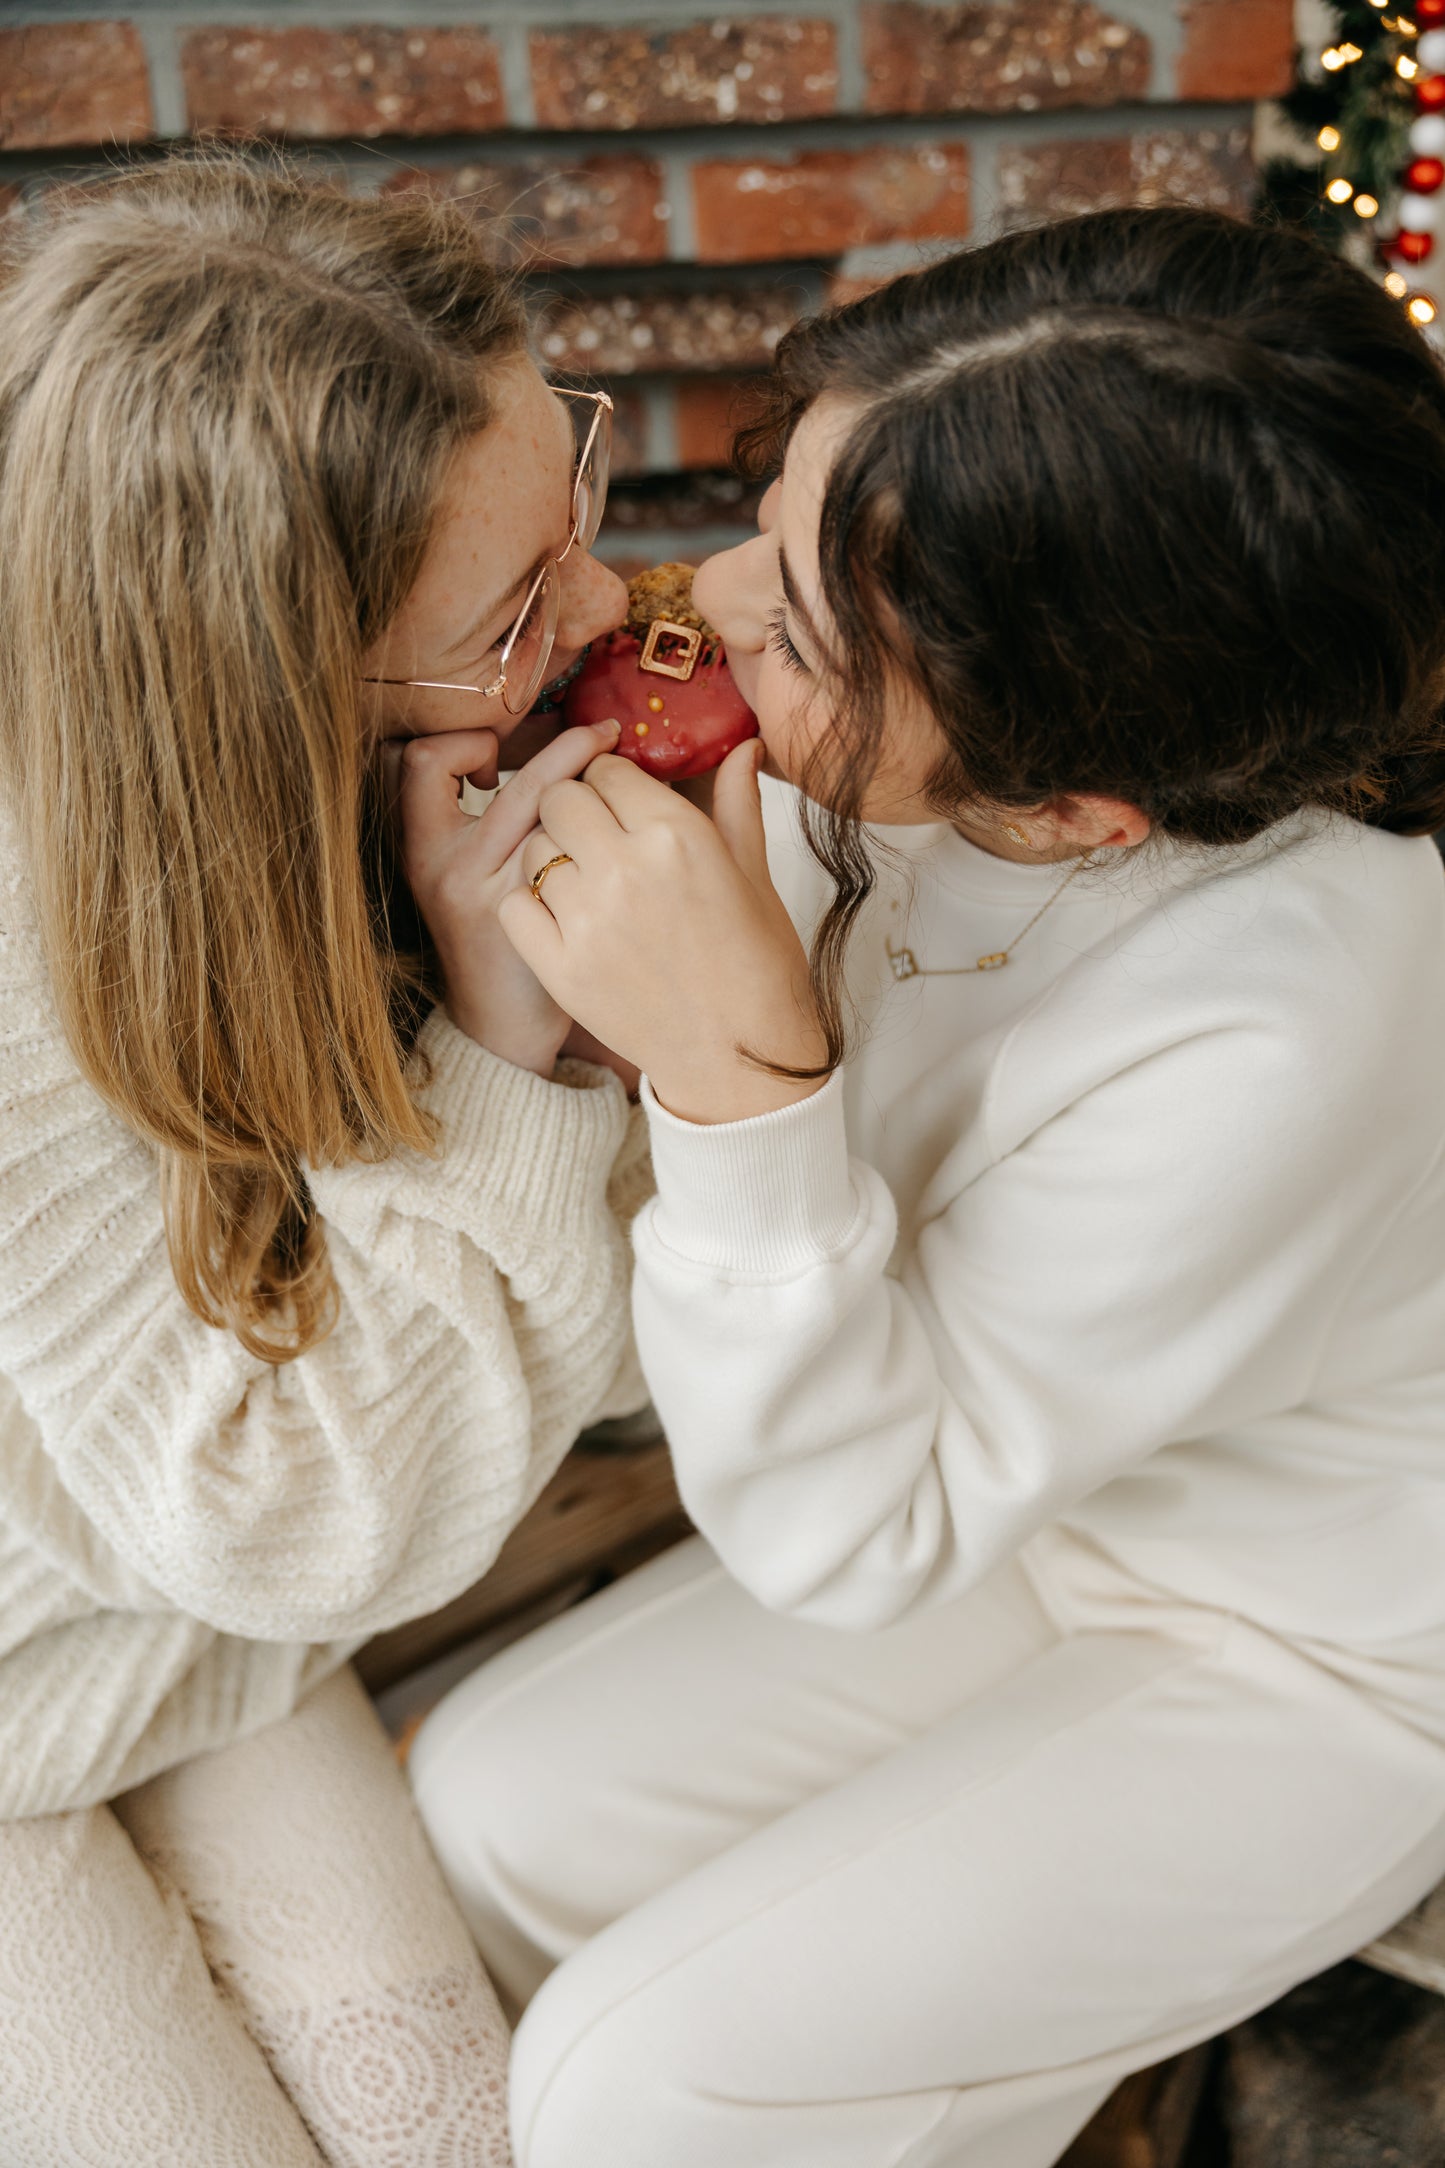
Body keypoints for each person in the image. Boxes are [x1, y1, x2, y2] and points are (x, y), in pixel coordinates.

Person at [409, 207, 1445, 2168]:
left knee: (633, 2088)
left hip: (1312, 1651)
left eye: (796, 629)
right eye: (766, 524)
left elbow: (850, 1532)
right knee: (486, 1803)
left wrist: (733, 1077)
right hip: (1034, 1514)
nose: (703, 602)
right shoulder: (880, 764)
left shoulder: (1297, 1021)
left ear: (1076, 808)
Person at [0, 151, 644, 2167]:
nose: (614, 608)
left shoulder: (381, 783)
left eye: (582, 498)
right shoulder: (34, 942)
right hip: (130, 1611)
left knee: (452, 2125)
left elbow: (587, 1367)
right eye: (521, 608)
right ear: (264, 674)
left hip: (192, 1631)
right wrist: (507, 1060)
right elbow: (284, 1510)